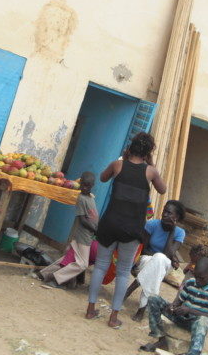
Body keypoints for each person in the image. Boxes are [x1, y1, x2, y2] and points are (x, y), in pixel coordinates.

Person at [85, 132, 166, 329]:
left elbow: (103, 178)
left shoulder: (117, 165)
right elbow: (162, 190)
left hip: (110, 223)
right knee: (122, 273)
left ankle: (90, 309)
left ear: (130, 147)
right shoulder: (151, 172)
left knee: (101, 266)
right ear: (148, 152)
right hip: (132, 229)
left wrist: (122, 157)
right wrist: (151, 162)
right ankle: (113, 318)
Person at [140, 257, 208, 354]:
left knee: (203, 320)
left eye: (201, 278)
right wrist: (173, 307)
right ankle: (161, 339)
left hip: (196, 324)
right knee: (153, 299)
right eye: (196, 276)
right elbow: (178, 302)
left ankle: (193, 352)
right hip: (180, 317)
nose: (198, 281)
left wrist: (189, 310)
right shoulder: (190, 283)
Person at [124, 200, 187, 322]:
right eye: (164, 211)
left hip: (164, 265)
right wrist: (158, 257)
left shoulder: (180, 233)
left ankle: (130, 289)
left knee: (160, 260)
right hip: (145, 260)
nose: (165, 215)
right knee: (157, 262)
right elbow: (143, 250)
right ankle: (141, 309)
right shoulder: (152, 224)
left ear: (177, 217)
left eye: (169, 213)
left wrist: (172, 230)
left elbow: (169, 254)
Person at [39, 172, 99, 287]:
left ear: (92, 185)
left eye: (88, 186)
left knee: (69, 259)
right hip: (83, 236)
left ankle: (45, 274)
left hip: (88, 235)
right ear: (80, 183)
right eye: (83, 185)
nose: (85, 188)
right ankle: (56, 278)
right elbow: (82, 220)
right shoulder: (81, 198)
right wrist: (96, 230)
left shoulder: (90, 197)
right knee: (82, 264)